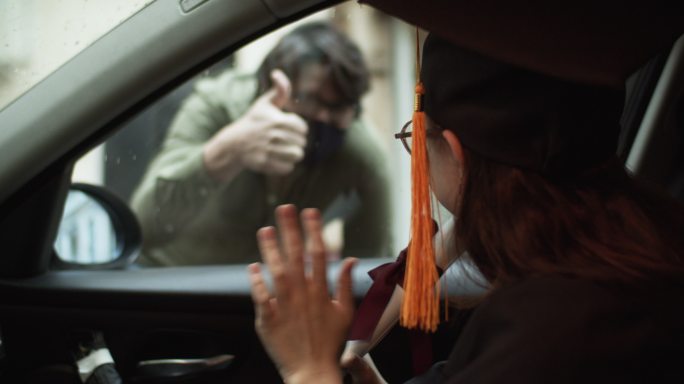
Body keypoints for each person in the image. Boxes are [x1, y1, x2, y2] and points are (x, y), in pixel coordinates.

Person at [246, 27, 684, 384]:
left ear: (456, 153)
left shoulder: (550, 327)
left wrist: (308, 371)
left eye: (418, 138)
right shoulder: (645, 259)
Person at [131, 22, 393, 266]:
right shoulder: (213, 107)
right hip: (168, 279)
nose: (323, 118)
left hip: (262, 297)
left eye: (339, 107)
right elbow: (142, 225)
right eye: (310, 99)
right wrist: (228, 151)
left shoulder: (359, 152)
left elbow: (370, 271)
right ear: (271, 85)